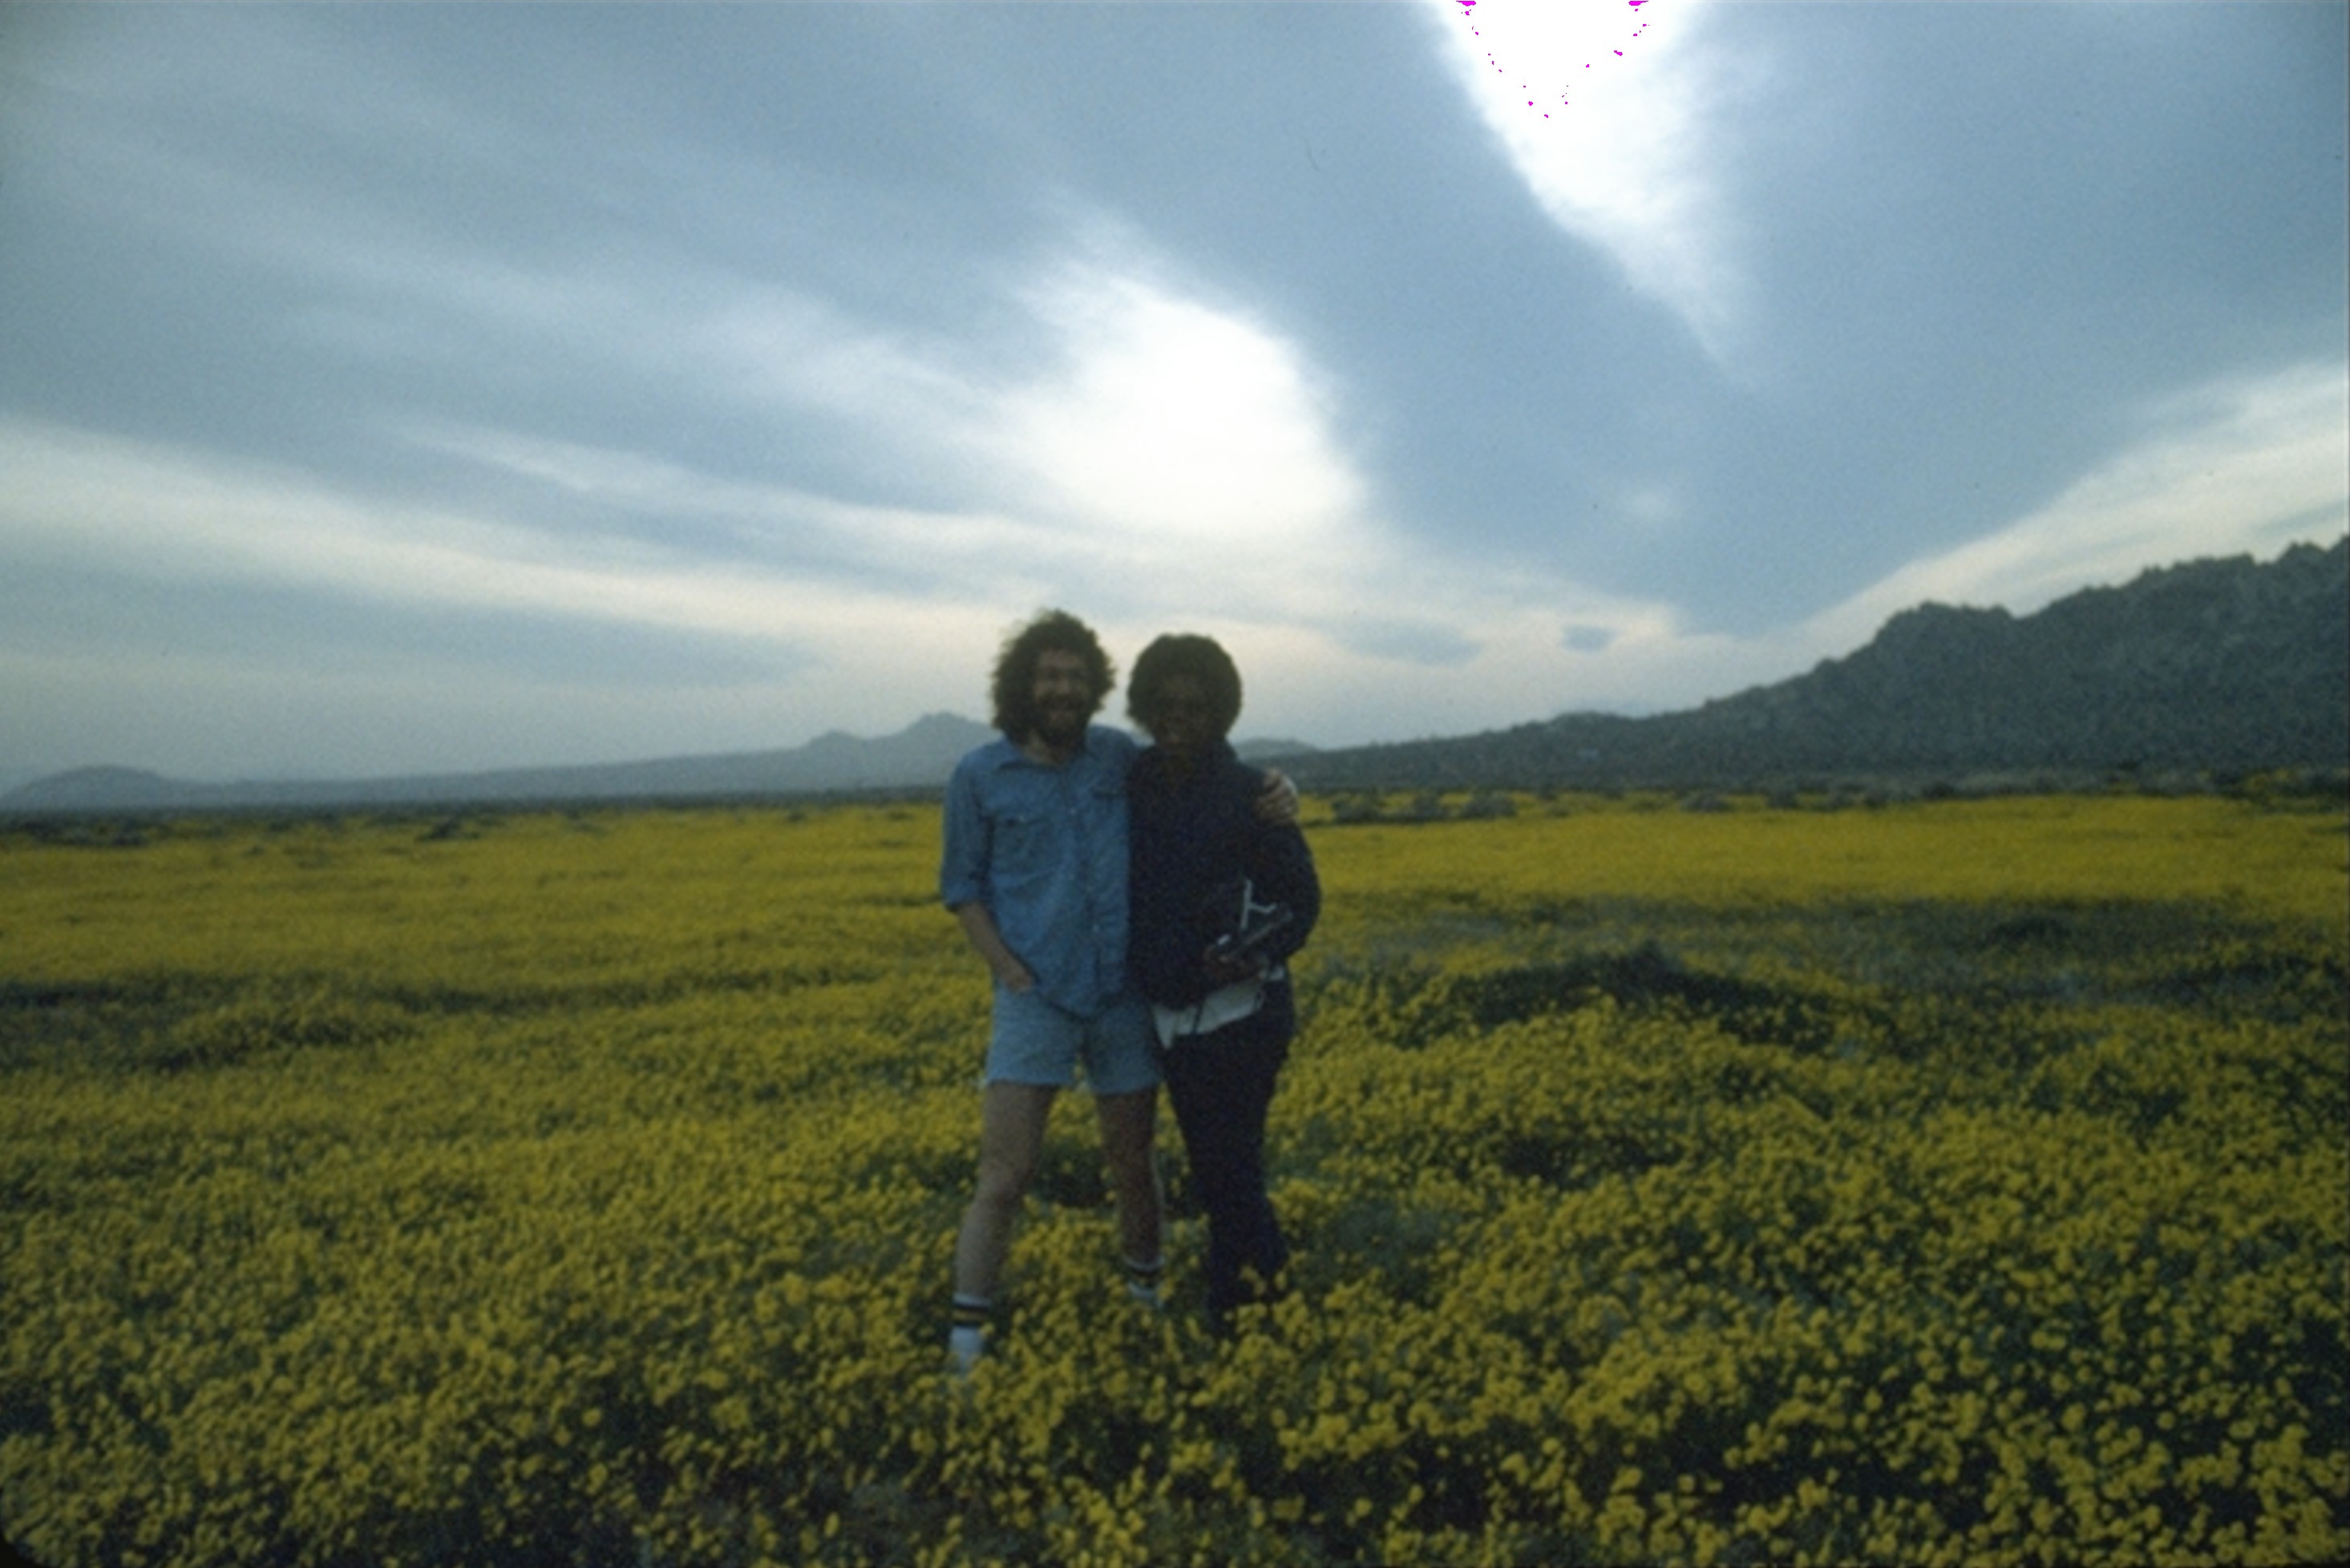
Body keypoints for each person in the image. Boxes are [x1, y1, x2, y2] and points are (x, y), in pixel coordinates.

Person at [939, 610, 1294, 1372]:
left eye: (1074, 676)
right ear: (1021, 684)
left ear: (1094, 687)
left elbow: (1197, 753)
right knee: (1003, 1176)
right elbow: (961, 888)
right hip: (1034, 999)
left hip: (1119, 996)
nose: (1061, 689)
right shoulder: (978, 775)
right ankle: (964, 1349)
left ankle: (1147, 1306)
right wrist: (1005, 967)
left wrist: (1275, 788)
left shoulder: (1116, 760)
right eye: (1047, 675)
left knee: (1134, 1164)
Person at [1124, 633, 1319, 1335]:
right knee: (1220, 1168)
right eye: (1165, 704)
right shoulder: (1135, 780)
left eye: (1196, 705)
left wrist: (1253, 954)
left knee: (1226, 1167)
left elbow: (1302, 899)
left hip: (1242, 1014)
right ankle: (1252, 1302)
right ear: (1144, 706)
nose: (1179, 717)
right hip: (1178, 1018)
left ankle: (1243, 1315)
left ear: (1221, 712)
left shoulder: (1250, 793)